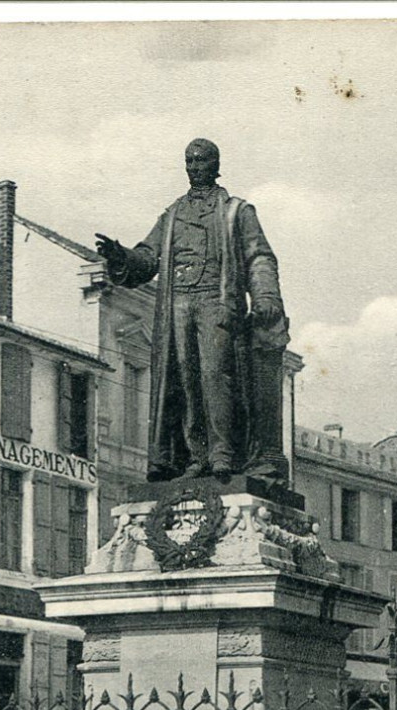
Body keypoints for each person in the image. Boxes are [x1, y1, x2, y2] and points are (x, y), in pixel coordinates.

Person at [95, 138, 289, 482]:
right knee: (186, 380)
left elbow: (258, 256)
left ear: (215, 166)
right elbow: (147, 256)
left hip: (216, 299)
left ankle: (223, 452)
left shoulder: (235, 211)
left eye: (201, 161)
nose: (194, 167)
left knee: (216, 376)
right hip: (178, 305)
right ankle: (197, 456)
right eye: (189, 161)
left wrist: (265, 296)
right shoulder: (173, 215)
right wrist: (120, 256)